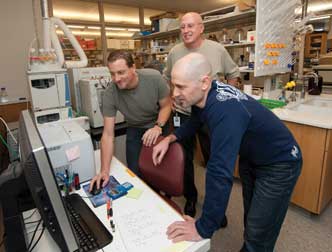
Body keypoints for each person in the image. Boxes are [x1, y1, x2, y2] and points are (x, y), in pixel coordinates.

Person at [153, 53, 302, 252]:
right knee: (252, 219)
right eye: (173, 85)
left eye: (181, 86)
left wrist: (203, 228)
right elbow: (195, 121)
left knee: (259, 231)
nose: (174, 93)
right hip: (252, 158)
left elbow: (219, 172)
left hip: (280, 163)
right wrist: (171, 138)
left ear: (204, 82)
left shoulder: (224, 111)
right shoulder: (204, 96)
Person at [163, 12, 240, 219]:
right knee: (184, 160)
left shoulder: (217, 50)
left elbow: (233, 75)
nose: (186, 31)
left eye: (190, 26)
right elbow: (167, 77)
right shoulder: (174, 52)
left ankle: (216, 207)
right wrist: (173, 96)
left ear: (201, 28)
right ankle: (190, 198)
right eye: (182, 27)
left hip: (209, 115)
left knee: (213, 161)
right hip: (183, 114)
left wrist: (225, 100)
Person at [90, 50, 171, 190]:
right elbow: (108, 135)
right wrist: (104, 171)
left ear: (133, 68)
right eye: (112, 73)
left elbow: (167, 106)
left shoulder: (154, 78)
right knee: (135, 172)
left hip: (159, 122)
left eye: (121, 72)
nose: (116, 79)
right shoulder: (110, 94)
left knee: (160, 172)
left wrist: (158, 126)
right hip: (135, 127)